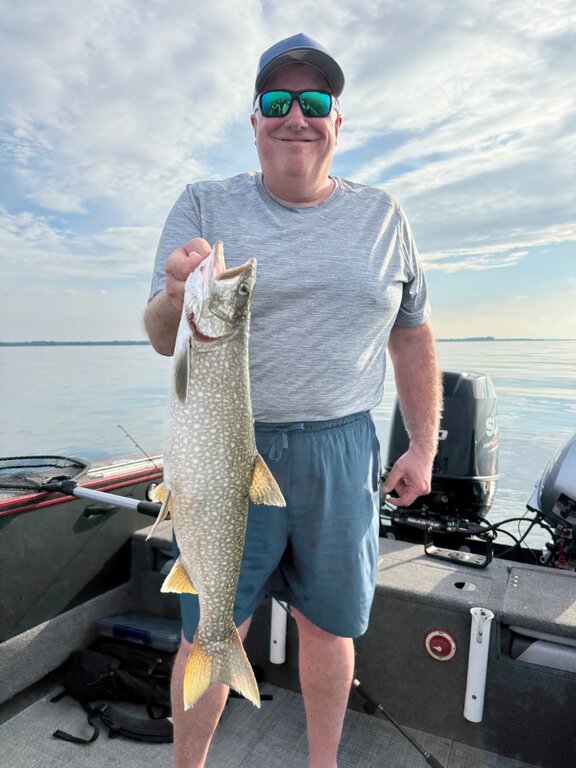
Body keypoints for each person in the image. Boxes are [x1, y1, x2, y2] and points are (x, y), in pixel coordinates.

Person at [144, 32, 441, 768]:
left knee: (328, 626)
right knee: (211, 626)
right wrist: (178, 294)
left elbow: (411, 334)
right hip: (223, 448)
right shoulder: (203, 203)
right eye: (277, 102)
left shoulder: (385, 217)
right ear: (254, 120)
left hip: (342, 448)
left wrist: (422, 443)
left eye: (315, 102)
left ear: (338, 121)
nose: (295, 117)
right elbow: (160, 334)